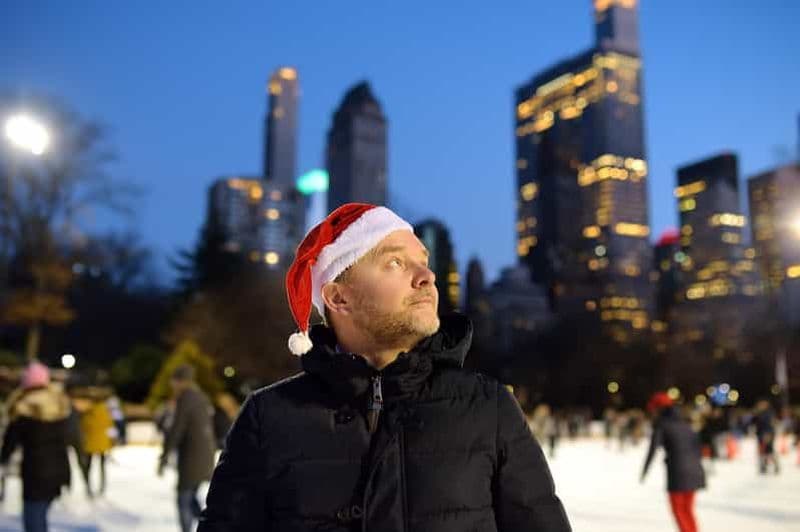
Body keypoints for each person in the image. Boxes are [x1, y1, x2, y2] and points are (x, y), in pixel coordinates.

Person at [199, 203, 571, 532]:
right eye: (395, 262)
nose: (426, 276)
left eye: (423, 262)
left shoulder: (488, 408)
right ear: (338, 296)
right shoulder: (269, 418)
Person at [0, 362, 71, 532]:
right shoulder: (59, 405)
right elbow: (69, 440)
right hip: (58, 471)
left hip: (35, 474)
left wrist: (3, 460)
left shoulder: (23, 409)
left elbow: (9, 444)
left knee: (33, 520)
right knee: (41, 516)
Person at [159, 364, 216, 532]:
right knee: (191, 498)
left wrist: (164, 456)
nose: (172, 385)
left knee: (183, 500)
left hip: (192, 458)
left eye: (173, 381)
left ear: (180, 381)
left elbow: (177, 429)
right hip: (205, 456)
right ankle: (212, 527)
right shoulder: (201, 396)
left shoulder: (186, 398)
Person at [641, 392, 705, 532]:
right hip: (695, 470)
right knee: (687, 510)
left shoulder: (661, 424)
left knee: (679, 510)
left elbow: (653, 449)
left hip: (678, 472)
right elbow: (697, 447)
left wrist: (644, 470)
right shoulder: (684, 422)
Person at [78, 392, 115, 497]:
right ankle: (102, 486)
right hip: (103, 443)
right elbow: (110, 425)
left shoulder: (88, 413)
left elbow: (83, 426)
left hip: (90, 443)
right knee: (102, 466)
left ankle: (88, 486)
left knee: (88, 466)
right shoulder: (106, 412)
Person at [752, 399, 779, 474]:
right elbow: (755, 423)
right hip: (760, 435)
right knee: (762, 452)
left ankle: (776, 465)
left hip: (767, 434)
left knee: (769, 451)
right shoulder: (759, 413)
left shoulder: (769, 413)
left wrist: (768, 434)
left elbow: (770, 425)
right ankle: (763, 466)